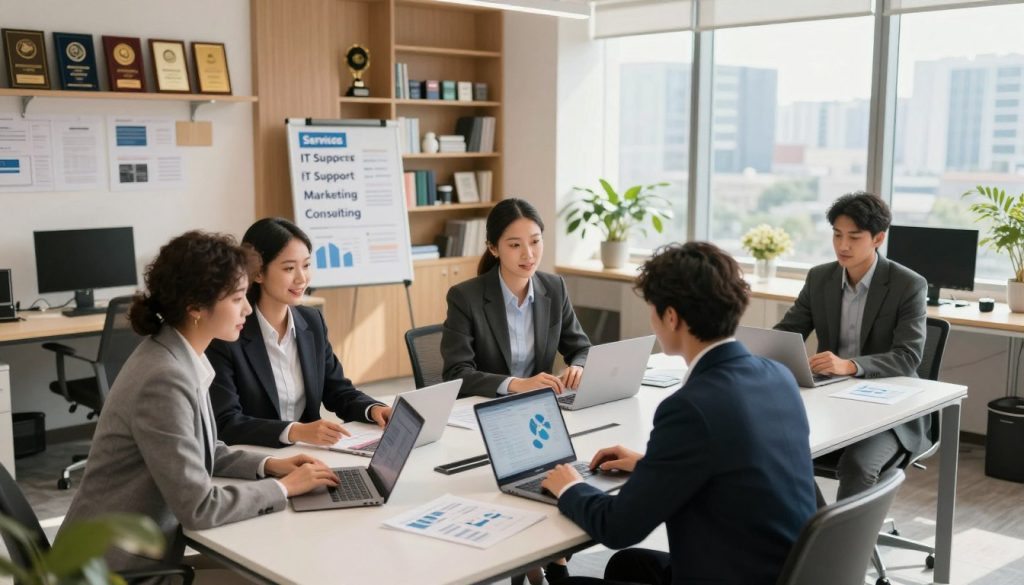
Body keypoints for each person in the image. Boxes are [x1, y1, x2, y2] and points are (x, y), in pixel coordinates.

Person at [61, 231, 339, 575]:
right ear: (195, 306)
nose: (248, 308)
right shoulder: (164, 377)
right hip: (115, 570)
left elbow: (205, 449)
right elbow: (200, 508)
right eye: (237, 298)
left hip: (137, 556)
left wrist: (269, 465)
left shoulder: (176, 354)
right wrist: (284, 488)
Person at [541, 242, 817, 585]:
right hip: (786, 570)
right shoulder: (777, 375)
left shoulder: (691, 407)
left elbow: (618, 527)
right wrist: (649, 465)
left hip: (732, 575)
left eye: (653, 310)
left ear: (671, 316)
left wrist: (570, 487)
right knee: (629, 566)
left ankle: (554, 570)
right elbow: (733, 467)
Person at [774, 192, 928, 501]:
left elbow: (908, 356)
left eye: (854, 237)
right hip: (831, 401)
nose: (842, 246)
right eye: (837, 235)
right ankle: (818, 535)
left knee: (857, 466)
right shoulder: (820, 278)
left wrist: (851, 365)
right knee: (777, 451)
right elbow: (787, 333)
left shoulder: (907, 285)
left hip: (889, 411)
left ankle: (848, 549)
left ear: (878, 238)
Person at [207, 217, 391, 448]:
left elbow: (338, 391)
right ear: (257, 273)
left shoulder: (311, 322)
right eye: (289, 268)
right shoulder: (228, 334)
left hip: (310, 456)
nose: (302, 278)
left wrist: (374, 409)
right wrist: (295, 431)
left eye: (305, 265)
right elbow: (226, 422)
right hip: (255, 459)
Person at [441, 197, 591, 399]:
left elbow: (581, 349)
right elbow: (457, 374)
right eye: (514, 245)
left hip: (539, 405)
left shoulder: (555, 288)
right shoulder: (465, 297)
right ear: (493, 248)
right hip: (487, 406)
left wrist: (579, 367)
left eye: (535, 241)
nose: (528, 254)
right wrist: (516, 384)